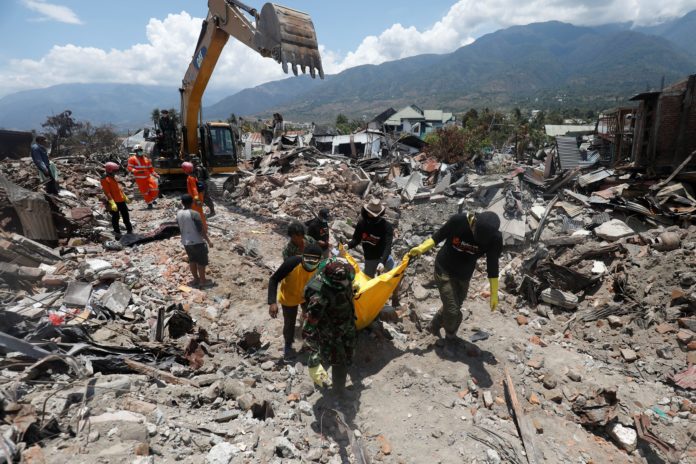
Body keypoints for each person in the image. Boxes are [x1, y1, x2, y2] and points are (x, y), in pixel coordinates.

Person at [408, 211, 502, 342]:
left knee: (455, 304)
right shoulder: (460, 221)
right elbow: (438, 236)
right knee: (453, 311)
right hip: (444, 268)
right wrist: (422, 248)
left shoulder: (495, 238)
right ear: (474, 224)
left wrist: (494, 292)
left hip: (464, 274)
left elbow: (492, 264)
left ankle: (433, 326)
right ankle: (450, 337)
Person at [302, 258, 357, 395]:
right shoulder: (320, 295)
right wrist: (310, 346)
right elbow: (310, 323)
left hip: (347, 324)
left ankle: (324, 376)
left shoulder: (343, 274)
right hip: (331, 332)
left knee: (347, 352)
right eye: (343, 282)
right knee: (338, 360)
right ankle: (338, 391)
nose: (347, 283)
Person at [267, 243, 323, 358]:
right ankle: (288, 344)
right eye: (308, 259)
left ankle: (309, 341)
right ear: (302, 256)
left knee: (312, 317)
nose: (310, 262)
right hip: (289, 296)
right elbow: (274, 279)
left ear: (320, 260)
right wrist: (272, 302)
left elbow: (318, 286)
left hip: (306, 295)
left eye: (314, 260)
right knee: (289, 322)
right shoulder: (292, 263)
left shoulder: (320, 268)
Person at [176, 194, 214, 288]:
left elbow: (178, 227)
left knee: (192, 260)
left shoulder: (178, 213)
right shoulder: (194, 214)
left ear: (182, 203)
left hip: (186, 242)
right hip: (197, 241)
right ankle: (203, 281)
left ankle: (196, 279)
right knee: (201, 262)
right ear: (192, 202)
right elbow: (200, 230)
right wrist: (208, 241)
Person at [100, 162, 133, 239]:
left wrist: (124, 196)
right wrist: (112, 202)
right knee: (116, 217)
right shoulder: (105, 179)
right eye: (114, 171)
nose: (116, 172)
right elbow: (107, 192)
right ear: (109, 170)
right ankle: (117, 234)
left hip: (121, 200)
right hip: (114, 202)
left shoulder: (113, 177)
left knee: (126, 215)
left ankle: (130, 230)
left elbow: (118, 189)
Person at [127, 144, 160, 209]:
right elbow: (129, 168)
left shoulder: (146, 159)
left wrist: (156, 175)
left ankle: (152, 199)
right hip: (140, 179)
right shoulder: (132, 159)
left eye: (140, 150)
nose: (140, 151)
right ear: (135, 151)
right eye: (138, 150)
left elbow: (151, 169)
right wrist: (137, 171)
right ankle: (149, 203)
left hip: (148, 177)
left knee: (155, 188)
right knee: (145, 192)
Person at [182, 162, 207, 232]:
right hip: (196, 198)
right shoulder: (193, 176)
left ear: (186, 169)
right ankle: (201, 228)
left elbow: (194, 189)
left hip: (195, 199)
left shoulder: (190, 177)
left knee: (198, 214)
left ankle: (203, 230)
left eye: (183, 169)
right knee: (198, 214)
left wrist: (197, 200)